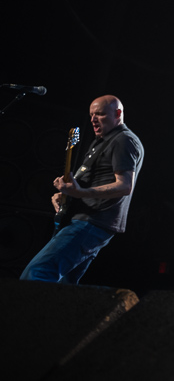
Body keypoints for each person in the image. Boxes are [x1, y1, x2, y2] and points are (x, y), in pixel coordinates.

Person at [21, 95, 144, 284]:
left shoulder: (123, 140)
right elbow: (90, 180)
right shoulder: (102, 141)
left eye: (100, 114)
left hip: (92, 221)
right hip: (87, 219)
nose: (93, 119)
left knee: (37, 272)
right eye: (91, 115)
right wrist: (65, 194)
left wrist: (80, 193)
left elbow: (125, 185)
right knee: (65, 286)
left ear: (118, 113)